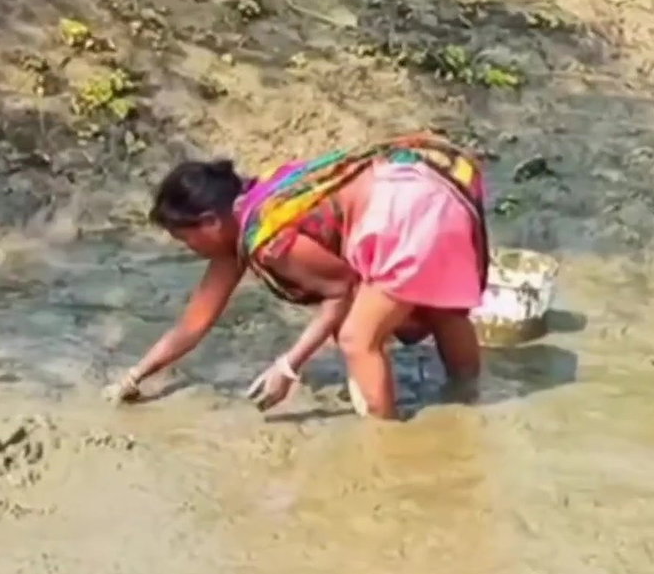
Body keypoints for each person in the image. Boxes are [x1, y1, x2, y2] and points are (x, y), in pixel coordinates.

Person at [115, 131, 491, 420]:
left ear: (210, 222)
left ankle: (385, 443)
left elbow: (341, 289)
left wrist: (288, 365)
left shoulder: (267, 239)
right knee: (443, 311)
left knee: (358, 339)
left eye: (185, 238)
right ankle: (468, 394)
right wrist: (133, 377)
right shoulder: (262, 202)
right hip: (433, 188)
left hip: (403, 210)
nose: (188, 248)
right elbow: (193, 325)